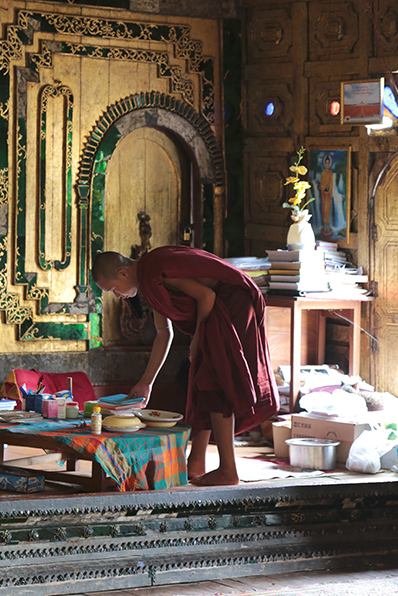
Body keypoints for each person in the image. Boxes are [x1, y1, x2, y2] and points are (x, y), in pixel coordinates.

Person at [92, 246, 279, 487]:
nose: (117, 295)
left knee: (214, 383)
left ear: (123, 273)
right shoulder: (149, 279)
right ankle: (196, 462)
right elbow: (163, 333)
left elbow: (207, 296)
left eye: (112, 289)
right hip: (218, 309)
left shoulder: (154, 270)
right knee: (202, 380)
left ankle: (227, 470)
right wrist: (146, 382)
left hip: (232, 305)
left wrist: (198, 338)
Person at [320, 155, 334, 237]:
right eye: (326, 163)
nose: (327, 165)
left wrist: (328, 190)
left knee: (327, 210)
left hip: (328, 195)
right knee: (323, 209)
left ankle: (327, 226)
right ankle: (324, 226)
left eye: (328, 163)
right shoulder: (322, 173)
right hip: (323, 195)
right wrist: (323, 189)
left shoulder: (331, 173)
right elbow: (322, 183)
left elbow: (331, 184)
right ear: (324, 164)